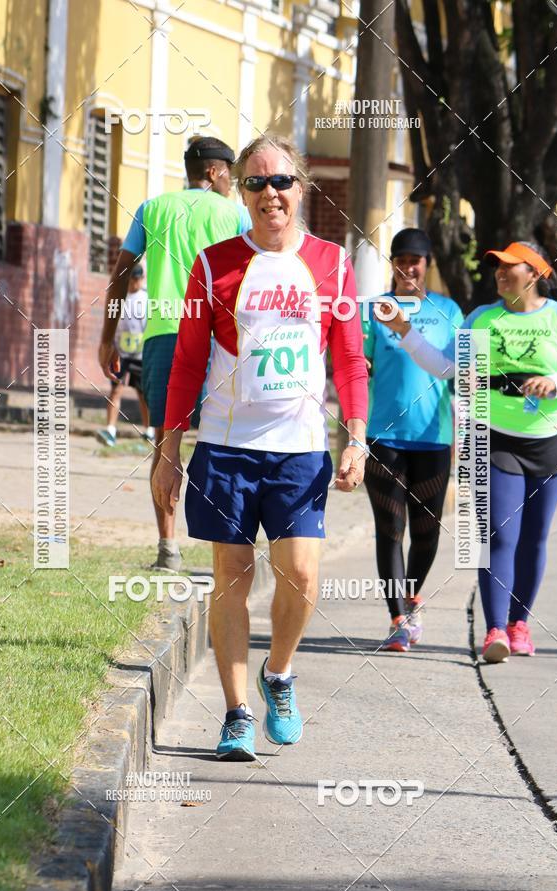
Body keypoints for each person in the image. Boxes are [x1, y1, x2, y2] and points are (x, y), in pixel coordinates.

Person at [153, 134, 369, 760]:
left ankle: (278, 673)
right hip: (226, 445)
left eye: (281, 181)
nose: (271, 193)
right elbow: (187, 364)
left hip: (300, 448)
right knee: (231, 577)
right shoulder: (214, 263)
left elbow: (351, 360)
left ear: (301, 187)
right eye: (256, 183)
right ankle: (237, 712)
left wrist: (356, 437)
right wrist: (169, 452)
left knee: (301, 574)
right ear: (240, 191)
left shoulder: (331, 263)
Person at [378, 241, 557, 663]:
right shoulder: (483, 318)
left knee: (534, 539)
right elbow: (447, 367)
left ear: (535, 273)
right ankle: (495, 630)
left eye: (509, 267)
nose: (499, 273)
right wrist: (407, 333)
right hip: (495, 437)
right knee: (499, 534)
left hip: (550, 439)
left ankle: (520, 624)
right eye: (496, 266)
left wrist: (555, 381)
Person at [98, 136, 251, 571]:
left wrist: (107, 336)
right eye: (230, 175)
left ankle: (168, 549)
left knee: (167, 446)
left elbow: (121, 274)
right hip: (222, 342)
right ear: (214, 172)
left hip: (163, 336)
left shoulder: (152, 208)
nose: (233, 183)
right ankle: (229, 544)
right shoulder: (237, 214)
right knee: (227, 442)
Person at [362, 228, 463, 652]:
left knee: (427, 534)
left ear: (428, 263)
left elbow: (460, 373)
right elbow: (356, 364)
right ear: (392, 262)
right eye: (400, 257)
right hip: (384, 435)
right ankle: (398, 618)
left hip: (434, 437)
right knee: (390, 530)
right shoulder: (373, 310)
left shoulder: (450, 311)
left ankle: (412, 598)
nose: (408, 266)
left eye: (416, 259)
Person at [96, 264, 153, 447]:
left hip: (140, 355)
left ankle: (149, 430)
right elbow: (111, 325)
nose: (134, 283)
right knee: (116, 390)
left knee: (143, 394)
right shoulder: (119, 299)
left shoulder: (146, 300)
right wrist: (109, 345)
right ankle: (110, 430)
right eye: (131, 279)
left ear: (141, 279)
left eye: (137, 279)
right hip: (120, 354)